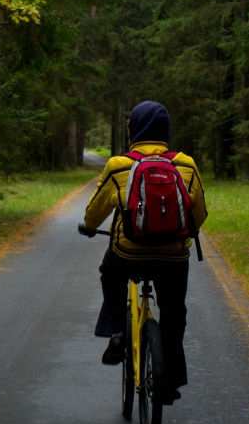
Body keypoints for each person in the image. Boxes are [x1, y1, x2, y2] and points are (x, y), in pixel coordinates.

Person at [79, 100, 207, 405]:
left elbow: (93, 216)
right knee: (174, 313)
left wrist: (89, 225)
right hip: (174, 257)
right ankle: (170, 379)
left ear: (134, 129)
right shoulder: (186, 164)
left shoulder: (118, 166)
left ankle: (117, 332)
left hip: (128, 253)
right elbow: (199, 214)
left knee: (110, 272)